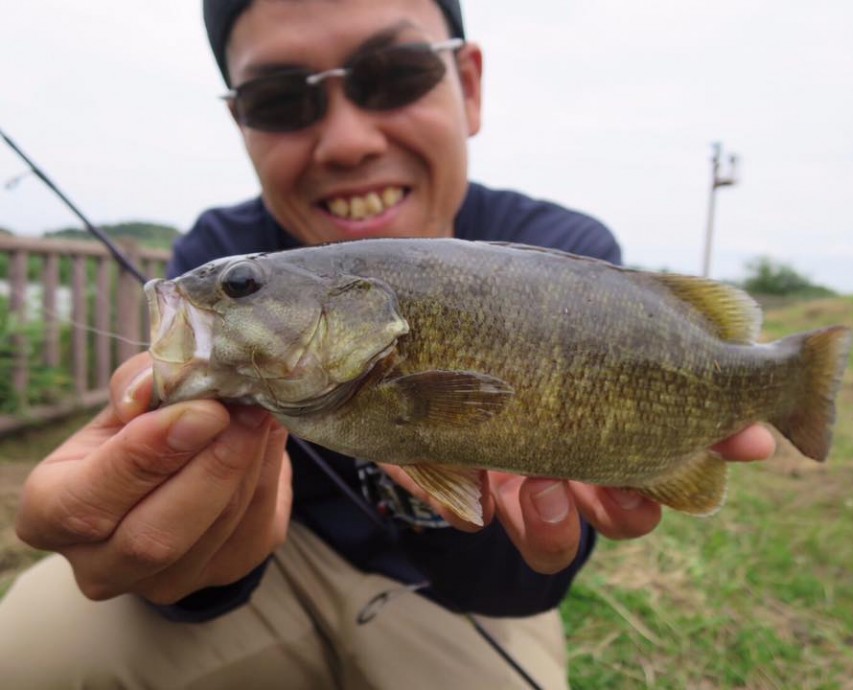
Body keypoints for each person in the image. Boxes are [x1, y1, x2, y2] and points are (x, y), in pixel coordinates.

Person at [0, 1, 775, 687]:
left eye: (396, 74)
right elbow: (175, 550)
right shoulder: (216, 248)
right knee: (31, 649)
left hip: (467, 606)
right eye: (279, 99)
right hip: (282, 572)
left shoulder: (569, 253)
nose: (346, 142)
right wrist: (192, 562)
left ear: (469, 85)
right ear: (241, 123)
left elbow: (523, 584)